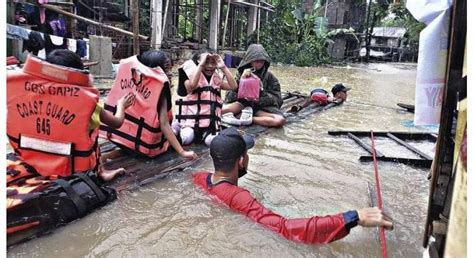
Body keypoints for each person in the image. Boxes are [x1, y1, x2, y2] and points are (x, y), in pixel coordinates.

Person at [193, 127, 394, 244]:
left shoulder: (200, 178)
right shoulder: (240, 197)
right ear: (241, 161)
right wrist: (352, 217)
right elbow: (286, 229)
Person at [6, 49, 131, 181]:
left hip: (30, 162)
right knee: (92, 131)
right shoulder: (87, 103)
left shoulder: (21, 92)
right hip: (72, 170)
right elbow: (117, 122)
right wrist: (122, 105)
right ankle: (101, 172)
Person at [100, 50, 197, 161]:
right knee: (183, 132)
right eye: (166, 69)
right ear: (155, 69)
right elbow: (164, 124)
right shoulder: (160, 89)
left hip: (122, 140)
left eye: (170, 68)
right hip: (146, 148)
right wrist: (182, 152)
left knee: (174, 125)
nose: (170, 73)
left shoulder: (132, 77)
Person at [175, 52, 238, 146]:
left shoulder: (216, 79)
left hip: (209, 126)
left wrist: (223, 67)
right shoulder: (190, 76)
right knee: (187, 138)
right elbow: (191, 86)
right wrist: (201, 64)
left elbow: (233, 86)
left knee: (214, 142)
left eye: (213, 62)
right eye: (206, 62)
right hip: (191, 125)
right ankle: (175, 130)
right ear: (199, 62)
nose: (209, 66)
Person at [222, 44, 286, 127]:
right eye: (256, 61)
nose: (259, 64)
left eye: (262, 61)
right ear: (250, 61)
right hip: (241, 105)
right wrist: (242, 81)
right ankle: (241, 115)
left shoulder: (270, 78)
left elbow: (278, 100)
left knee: (280, 120)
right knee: (218, 111)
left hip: (259, 109)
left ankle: (249, 119)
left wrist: (260, 93)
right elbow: (228, 98)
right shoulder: (240, 74)